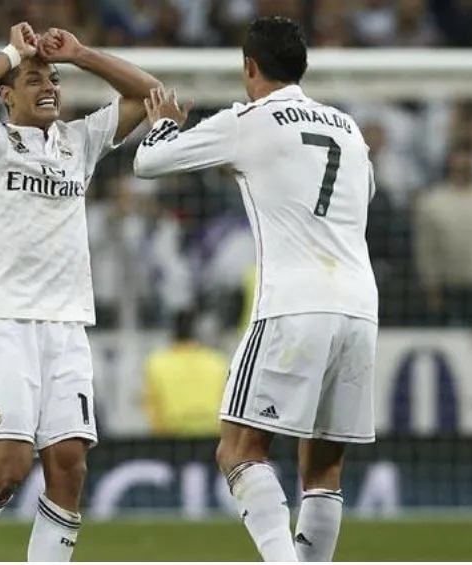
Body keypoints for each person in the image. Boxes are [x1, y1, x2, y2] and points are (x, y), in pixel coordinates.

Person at [134, 16, 378, 562]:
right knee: (323, 467)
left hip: (294, 303)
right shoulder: (348, 128)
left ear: (249, 67)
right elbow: (365, 193)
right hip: (360, 307)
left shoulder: (249, 120)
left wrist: (164, 124)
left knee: (239, 450)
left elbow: (148, 162)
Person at [0, 22, 160, 562]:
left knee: (70, 466)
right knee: (9, 470)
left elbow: (147, 92)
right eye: (33, 80)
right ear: (6, 94)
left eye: (54, 79)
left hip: (66, 325)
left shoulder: (77, 143)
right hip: (3, 320)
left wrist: (82, 54)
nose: (49, 86)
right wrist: (14, 52)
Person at [142, 310, 228, 437]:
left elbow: (152, 408)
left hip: (172, 439)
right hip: (212, 437)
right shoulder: (217, 361)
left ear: (172, 334)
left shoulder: (156, 363)